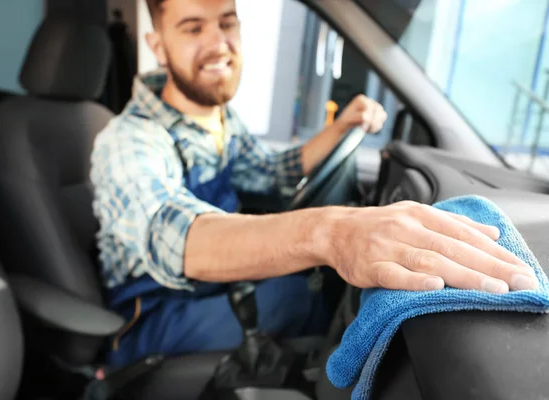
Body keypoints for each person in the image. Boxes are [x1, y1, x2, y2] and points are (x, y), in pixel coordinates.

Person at [90, 0, 539, 367]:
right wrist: (333, 232)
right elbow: (178, 239)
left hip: (211, 288)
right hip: (151, 315)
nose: (218, 43)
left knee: (311, 283)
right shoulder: (130, 141)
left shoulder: (216, 118)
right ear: (158, 45)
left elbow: (271, 172)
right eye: (192, 28)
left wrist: (340, 128)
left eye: (227, 22)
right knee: (305, 295)